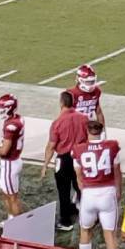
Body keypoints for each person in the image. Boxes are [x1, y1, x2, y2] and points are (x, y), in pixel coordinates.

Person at [73, 117, 121, 249]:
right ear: (101, 131)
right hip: (107, 192)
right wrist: (118, 191)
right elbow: (117, 171)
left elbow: (79, 176)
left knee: (85, 230)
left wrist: (84, 191)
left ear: (87, 131)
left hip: (89, 194)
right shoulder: (112, 146)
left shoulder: (78, 149)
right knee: (110, 234)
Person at [48, 91, 84, 233]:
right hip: (79, 157)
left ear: (61, 103)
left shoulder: (57, 123)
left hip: (63, 159)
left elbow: (51, 145)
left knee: (63, 190)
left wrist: (45, 164)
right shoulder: (83, 118)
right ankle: (87, 214)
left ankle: (65, 220)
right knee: (80, 187)